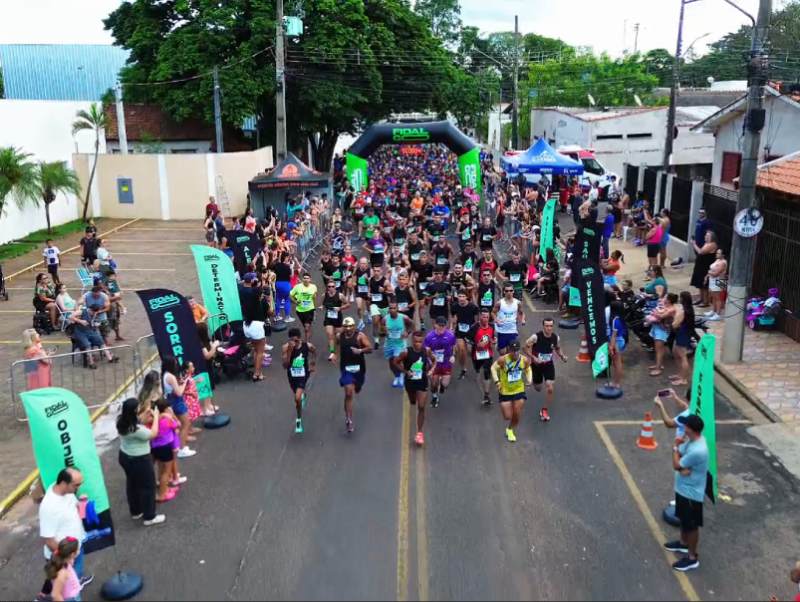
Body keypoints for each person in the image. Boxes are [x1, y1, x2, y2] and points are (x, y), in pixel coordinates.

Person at [664, 414, 709, 572]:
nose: (683, 428)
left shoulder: (698, 450)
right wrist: (679, 453)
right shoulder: (692, 441)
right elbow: (680, 459)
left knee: (692, 526)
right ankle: (683, 544)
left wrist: (675, 448)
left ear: (691, 429)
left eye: (685, 426)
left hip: (691, 493)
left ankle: (692, 558)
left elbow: (676, 464)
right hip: (683, 489)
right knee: (684, 519)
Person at [116, 398, 167, 526]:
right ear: (134, 411)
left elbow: (137, 420)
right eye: (138, 408)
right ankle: (149, 516)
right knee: (147, 487)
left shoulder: (122, 421)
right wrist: (155, 417)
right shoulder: (136, 429)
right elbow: (153, 433)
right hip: (140, 460)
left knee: (132, 484)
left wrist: (145, 414)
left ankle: (136, 511)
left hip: (125, 457)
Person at [39, 468, 92, 584]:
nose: (78, 487)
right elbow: (49, 540)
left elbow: (73, 507)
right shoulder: (49, 507)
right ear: (63, 483)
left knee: (75, 578)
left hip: (75, 550)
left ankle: (78, 581)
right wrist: (68, 557)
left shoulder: (67, 492)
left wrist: (82, 504)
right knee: (69, 592)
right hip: (64, 557)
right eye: (76, 485)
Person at [395, 331, 437, 447]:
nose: (418, 344)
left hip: (422, 381)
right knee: (413, 401)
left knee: (421, 406)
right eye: (415, 341)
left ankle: (419, 432)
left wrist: (431, 370)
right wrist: (405, 372)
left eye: (420, 341)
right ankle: (412, 398)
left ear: (423, 341)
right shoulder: (406, 352)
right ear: (412, 341)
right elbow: (396, 362)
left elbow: (434, 360)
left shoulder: (426, 351)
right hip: (410, 382)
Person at [334, 317, 373, 434]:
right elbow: (337, 346)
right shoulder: (339, 336)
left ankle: (357, 386)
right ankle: (349, 419)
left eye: (350, 326)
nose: (348, 329)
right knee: (349, 392)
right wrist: (334, 354)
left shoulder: (360, 336)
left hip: (359, 369)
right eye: (345, 326)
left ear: (354, 326)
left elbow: (370, 348)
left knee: (356, 389)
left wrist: (360, 351)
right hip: (346, 368)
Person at [524, 318, 568, 422]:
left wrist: (562, 356)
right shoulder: (535, 337)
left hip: (548, 364)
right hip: (536, 365)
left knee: (550, 387)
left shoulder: (555, 337)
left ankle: (544, 410)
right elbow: (525, 347)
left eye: (550, 326)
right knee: (538, 388)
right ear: (543, 326)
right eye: (547, 326)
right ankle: (536, 380)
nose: (549, 328)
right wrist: (533, 358)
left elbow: (557, 348)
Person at [491, 340, 533, 443]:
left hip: (519, 390)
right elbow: (493, 368)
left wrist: (529, 379)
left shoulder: (524, 360)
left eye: (517, 350)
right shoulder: (503, 360)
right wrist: (497, 382)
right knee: (507, 416)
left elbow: (528, 369)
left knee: (517, 413)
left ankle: (510, 430)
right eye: (513, 351)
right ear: (509, 350)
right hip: (505, 391)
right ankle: (509, 425)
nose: (515, 353)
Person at [282, 327, 317, 434]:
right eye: (292, 340)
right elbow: (285, 365)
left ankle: (298, 419)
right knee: (297, 395)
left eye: (296, 340)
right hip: (292, 375)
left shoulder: (307, 345)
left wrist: (312, 364)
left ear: (300, 339)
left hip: (303, 374)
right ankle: (302, 395)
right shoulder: (286, 347)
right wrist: (289, 351)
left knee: (297, 398)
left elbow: (314, 352)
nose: (294, 343)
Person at [161, 356, 196, 458]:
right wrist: (184, 383)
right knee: (185, 424)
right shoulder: (171, 377)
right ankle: (182, 448)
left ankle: (180, 446)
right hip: (177, 402)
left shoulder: (165, 375)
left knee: (180, 425)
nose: (176, 365)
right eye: (175, 363)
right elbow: (179, 392)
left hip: (171, 401)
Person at [149, 395, 181, 503]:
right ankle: (162, 494)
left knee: (161, 468)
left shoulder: (153, 419)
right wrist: (171, 416)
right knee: (166, 472)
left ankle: (164, 487)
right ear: (166, 408)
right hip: (166, 447)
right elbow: (177, 426)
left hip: (155, 446)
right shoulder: (167, 419)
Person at [240, 272, 271, 380]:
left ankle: (258, 372)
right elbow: (269, 311)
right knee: (260, 352)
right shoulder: (258, 299)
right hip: (256, 325)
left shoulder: (243, 292)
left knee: (256, 350)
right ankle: (257, 373)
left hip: (247, 324)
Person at [423, 316, 456, 408]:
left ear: (446, 326)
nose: (441, 327)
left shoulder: (450, 336)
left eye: (443, 325)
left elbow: (454, 346)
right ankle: (434, 397)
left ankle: (441, 385)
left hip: (446, 362)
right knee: (433, 383)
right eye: (439, 325)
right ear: (435, 325)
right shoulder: (429, 337)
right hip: (434, 363)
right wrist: (429, 360)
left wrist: (453, 355)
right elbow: (426, 350)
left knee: (445, 384)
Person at [467, 308, 497, 406]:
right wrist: (476, 345)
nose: (486, 319)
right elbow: (468, 341)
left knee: (487, 372)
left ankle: (486, 395)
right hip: (476, 355)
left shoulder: (492, 326)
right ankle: (484, 392)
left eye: (487, 317)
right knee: (478, 372)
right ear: (480, 317)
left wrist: (493, 342)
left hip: (488, 354)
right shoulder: (474, 328)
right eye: (484, 317)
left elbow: (493, 339)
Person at [383, 298, 414, 388]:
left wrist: (407, 333)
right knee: (391, 363)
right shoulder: (385, 319)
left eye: (394, 308)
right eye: (390, 308)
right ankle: (397, 376)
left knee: (396, 360)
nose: (392, 310)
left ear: (397, 309)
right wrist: (384, 331)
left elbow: (412, 325)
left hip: (400, 343)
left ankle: (401, 376)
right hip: (389, 343)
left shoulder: (403, 317)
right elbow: (381, 329)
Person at [451, 288, 479, 380]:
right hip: (460, 332)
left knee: (470, 351)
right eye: (460, 296)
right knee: (461, 350)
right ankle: (463, 368)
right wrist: (451, 327)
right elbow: (453, 317)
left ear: (467, 297)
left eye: (463, 296)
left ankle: (477, 363)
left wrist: (476, 331)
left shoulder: (472, 307)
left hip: (470, 332)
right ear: (457, 297)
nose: (462, 298)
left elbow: (476, 321)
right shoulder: (454, 306)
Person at [43, 536, 82, 602]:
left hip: (73, 595)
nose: (79, 550)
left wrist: (71, 559)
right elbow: (55, 595)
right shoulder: (62, 573)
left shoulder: (65, 559)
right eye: (78, 549)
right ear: (72, 554)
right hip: (71, 599)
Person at [670, 292, 695, 387]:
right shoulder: (689, 309)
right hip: (683, 333)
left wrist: (673, 319)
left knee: (682, 356)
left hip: (682, 333)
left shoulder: (683, 311)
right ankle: (680, 374)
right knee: (675, 353)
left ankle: (683, 379)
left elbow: (675, 324)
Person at [321, 281, 350, 361]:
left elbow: (348, 304)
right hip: (328, 318)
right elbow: (323, 304)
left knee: (338, 336)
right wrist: (322, 307)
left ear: (335, 287)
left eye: (332, 286)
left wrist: (340, 308)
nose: (331, 288)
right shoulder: (325, 295)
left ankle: (341, 346)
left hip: (338, 318)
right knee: (330, 334)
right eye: (329, 286)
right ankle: (332, 353)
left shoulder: (340, 295)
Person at [690, 230, 719, 309]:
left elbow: (701, 252)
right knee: (699, 284)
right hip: (701, 265)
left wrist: (694, 244)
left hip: (705, 266)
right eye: (706, 235)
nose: (705, 237)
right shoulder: (707, 243)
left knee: (704, 285)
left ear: (712, 238)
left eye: (708, 236)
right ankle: (701, 298)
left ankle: (705, 301)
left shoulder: (712, 245)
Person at [493, 284, 525, 354]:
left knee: (511, 351)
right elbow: (493, 313)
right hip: (502, 330)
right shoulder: (499, 303)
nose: (509, 292)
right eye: (507, 291)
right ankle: (497, 345)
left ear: (513, 291)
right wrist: (496, 320)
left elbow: (521, 313)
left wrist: (523, 320)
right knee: (502, 352)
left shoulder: (518, 303)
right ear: (504, 292)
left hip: (512, 330)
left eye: (511, 290)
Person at [704, 249, 728, 321]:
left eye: (718, 253)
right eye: (717, 253)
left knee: (718, 298)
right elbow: (712, 271)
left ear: (723, 255)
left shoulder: (723, 262)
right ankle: (713, 311)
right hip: (712, 280)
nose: (717, 254)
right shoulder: (717, 260)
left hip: (719, 281)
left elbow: (716, 273)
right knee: (713, 297)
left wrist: (709, 272)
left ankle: (718, 314)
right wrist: (707, 275)